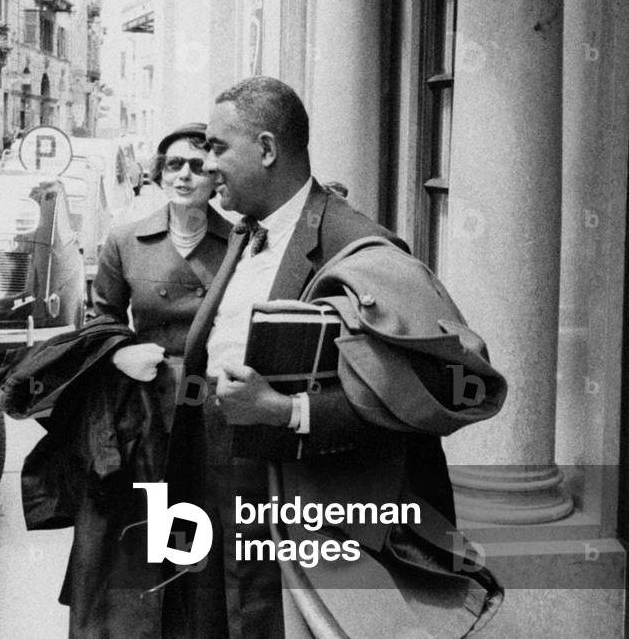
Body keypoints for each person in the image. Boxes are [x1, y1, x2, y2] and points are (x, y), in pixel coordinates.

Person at [163, 77, 503, 639]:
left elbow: (426, 391)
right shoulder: (248, 230)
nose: (206, 164)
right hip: (216, 484)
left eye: (218, 147)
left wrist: (286, 411)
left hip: (307, 508)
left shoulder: (361, 248)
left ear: (268, 149)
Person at [24, 123, 232, 638]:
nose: (185, 175)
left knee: (205, 530)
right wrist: (121, 353)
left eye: (198, 165)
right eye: (173, 165)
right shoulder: (126, 240)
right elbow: (101, 321)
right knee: (136, 531)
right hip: (146, 413)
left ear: (215, 178)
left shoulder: (240, 243)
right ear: (159, 175)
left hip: (217, 413)